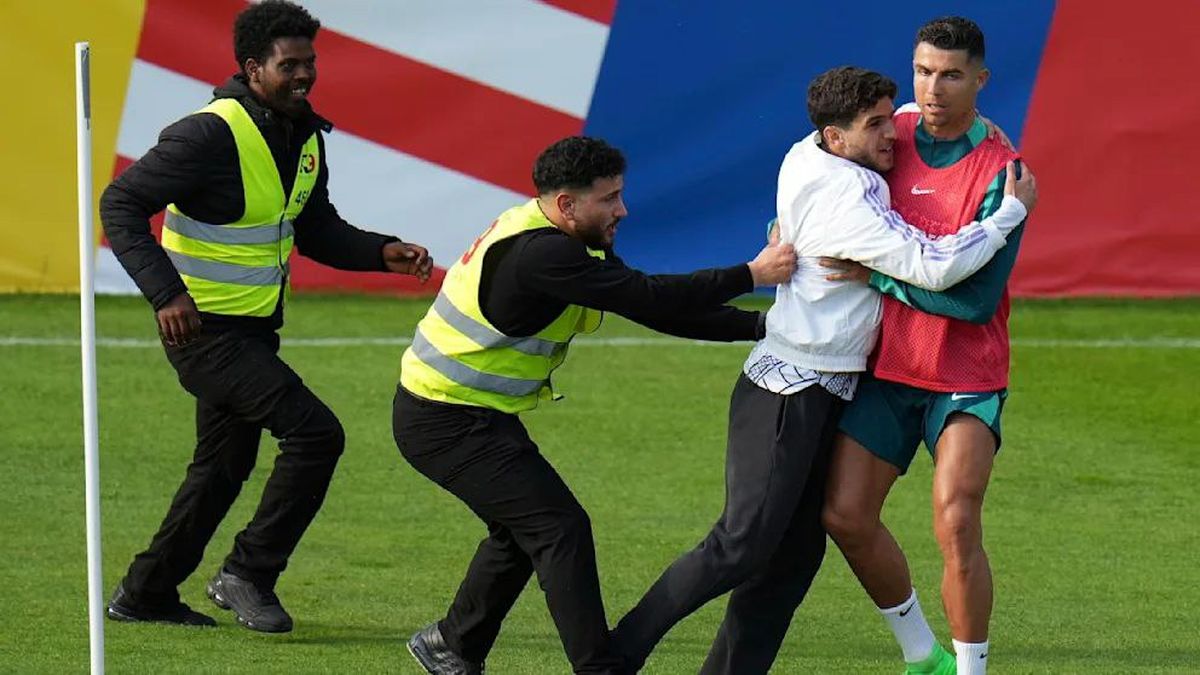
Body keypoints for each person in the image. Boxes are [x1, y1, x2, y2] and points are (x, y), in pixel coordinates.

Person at [611, 65, 1035, 674]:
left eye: (891, 117)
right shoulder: (848, 199)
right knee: (739, 546)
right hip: (789, 392)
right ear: (837, 137)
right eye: (876, 125)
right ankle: (613, 657)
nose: (894, 133)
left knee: (791, 562)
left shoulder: (807, 151)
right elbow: (936, 269)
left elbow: (906, 121)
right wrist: (1006, 217)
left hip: (829, 388)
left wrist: (975, 125)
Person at [393, 135, 796, 675]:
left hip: (466, 412)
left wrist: (761, 326)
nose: (622, 210)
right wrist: (751, 275)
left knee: (523, 531)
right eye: (609, 198)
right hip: (443, 419)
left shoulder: (560, 236)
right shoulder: (544, 254)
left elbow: (649, 308)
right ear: (567, 204)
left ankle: (452, 643)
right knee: (559, 529)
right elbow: (651, 295)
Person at [99, 0, 433, 633]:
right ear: (253, 68)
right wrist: (166, 294)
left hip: (252, 332)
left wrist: (380, 251)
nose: (305, 74)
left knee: (221, 469)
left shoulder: (303, 133)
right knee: (316, 435)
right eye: (289, 64)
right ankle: (247, 575)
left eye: (310, 62)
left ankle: (146, 592)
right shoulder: (206, 135)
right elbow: (119, 203)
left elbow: (314, 227)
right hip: (203, 333)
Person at [820, 17, 1029, 675]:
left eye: (951, 75)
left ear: (981, 80)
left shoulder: (1005, 173)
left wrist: (876, 275)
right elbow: (822, 178)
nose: (933, 88)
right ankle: (922, 654)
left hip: (966, 374)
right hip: (890, 367)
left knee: (956, 520)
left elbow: (972, 303)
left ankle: (971, 671)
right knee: (845, 515)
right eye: (923, 71)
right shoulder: (889, 135)